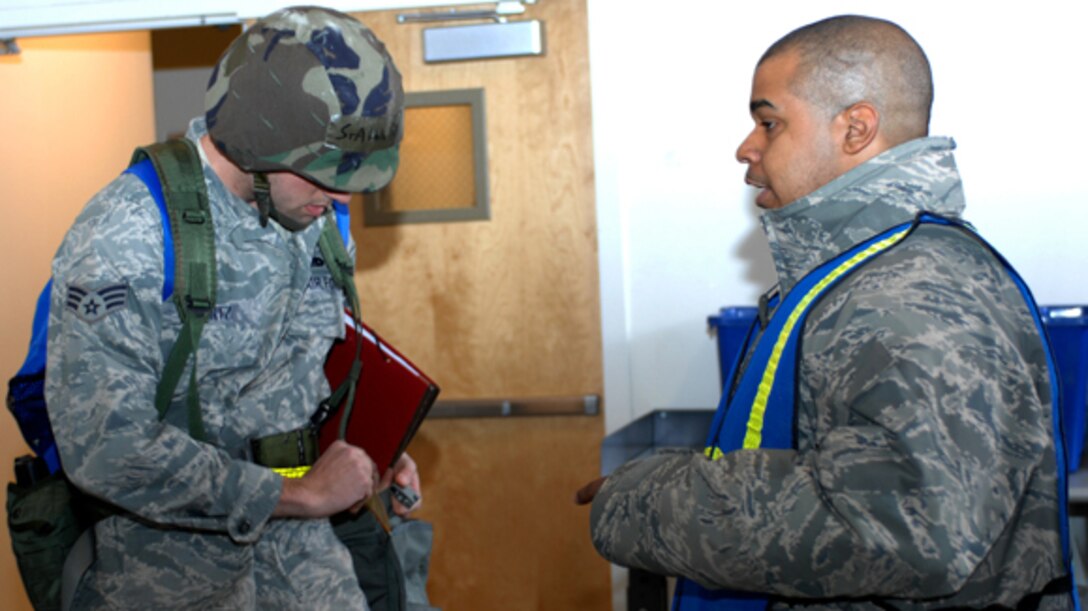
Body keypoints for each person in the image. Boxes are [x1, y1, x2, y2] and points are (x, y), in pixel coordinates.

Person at [577, 15, 1075, 610]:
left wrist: (648, 502)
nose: (747, 146)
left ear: (856, 129)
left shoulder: (911, 287)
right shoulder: (858, 274)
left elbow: (904, 524)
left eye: (769, 122)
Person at [45, 7, 422, 609]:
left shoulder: (311, 214)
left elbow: (299, 369)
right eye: (323, 175)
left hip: (305, 563)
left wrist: (366, 444)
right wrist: (296, 496)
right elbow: (106, 449)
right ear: (257, 139)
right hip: (169, 569)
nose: (341, 195)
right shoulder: (127, 233)